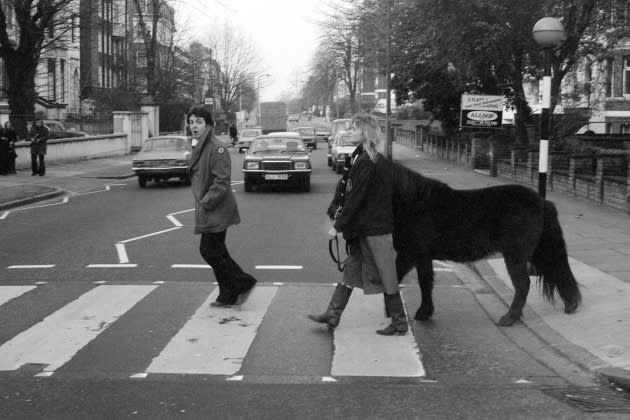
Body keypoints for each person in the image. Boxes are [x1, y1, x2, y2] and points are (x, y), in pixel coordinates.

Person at [307, 113, 408, 336]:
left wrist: (338, 226)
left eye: (354, 128)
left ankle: (399, 322)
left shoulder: (368, 161)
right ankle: (332, 314)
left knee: (386, 275)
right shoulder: (359, 157)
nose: (349, 132)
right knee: (351, 273)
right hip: (365, 229)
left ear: (364, 132)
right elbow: (348, 191)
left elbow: (356, 197)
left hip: (375, 229)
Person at [187, 106, 257, 307]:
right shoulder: (200, 146)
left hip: (216, 208)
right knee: (217, 251)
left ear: (208, 125)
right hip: (209, 208)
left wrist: (206, 201)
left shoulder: (216, 148)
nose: (194, 126)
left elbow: (222, 181)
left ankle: (243, 282)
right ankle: (227, 294)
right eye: (192, 122)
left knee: (209, 250)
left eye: (199, 122)